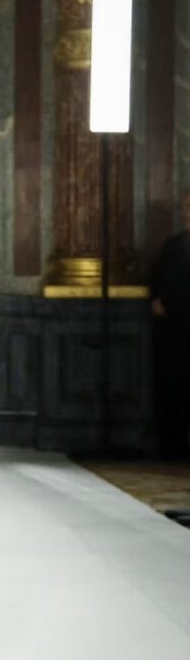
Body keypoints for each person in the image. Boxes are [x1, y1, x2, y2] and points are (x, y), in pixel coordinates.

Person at [150, 190, 190, 460]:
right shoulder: (173, 246)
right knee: (173, 389)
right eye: (185, 207)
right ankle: (172, 445)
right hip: (174, 331)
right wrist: (156, 300)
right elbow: (157, 278)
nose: (186, 213)